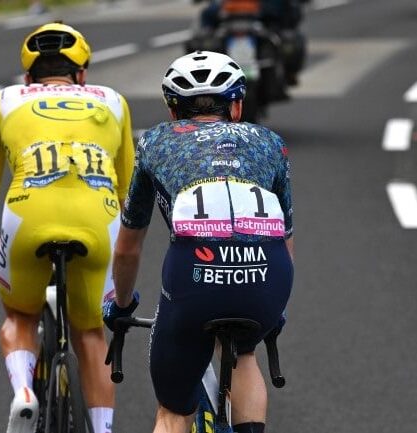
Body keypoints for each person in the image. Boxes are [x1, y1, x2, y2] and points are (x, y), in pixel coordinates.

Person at [103, 51, 294, 433]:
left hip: (195, 277)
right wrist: (274, 309)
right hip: (266, 277)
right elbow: (285, 237)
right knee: (245, 353)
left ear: (173, 111)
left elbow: (128, 246)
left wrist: (121, 305)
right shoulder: (270, 143)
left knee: (173, 410)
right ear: (237, 106)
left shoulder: (155, 142)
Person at [0, 21, 135, 433]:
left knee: (20, 317)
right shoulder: (114, 101)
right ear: (81, 74)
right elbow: (131, 197)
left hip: (27, 216)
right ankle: (103, 428)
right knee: (92, 332)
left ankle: (24, 391)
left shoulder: (3, 100)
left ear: (28, 77)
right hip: (100, 219)